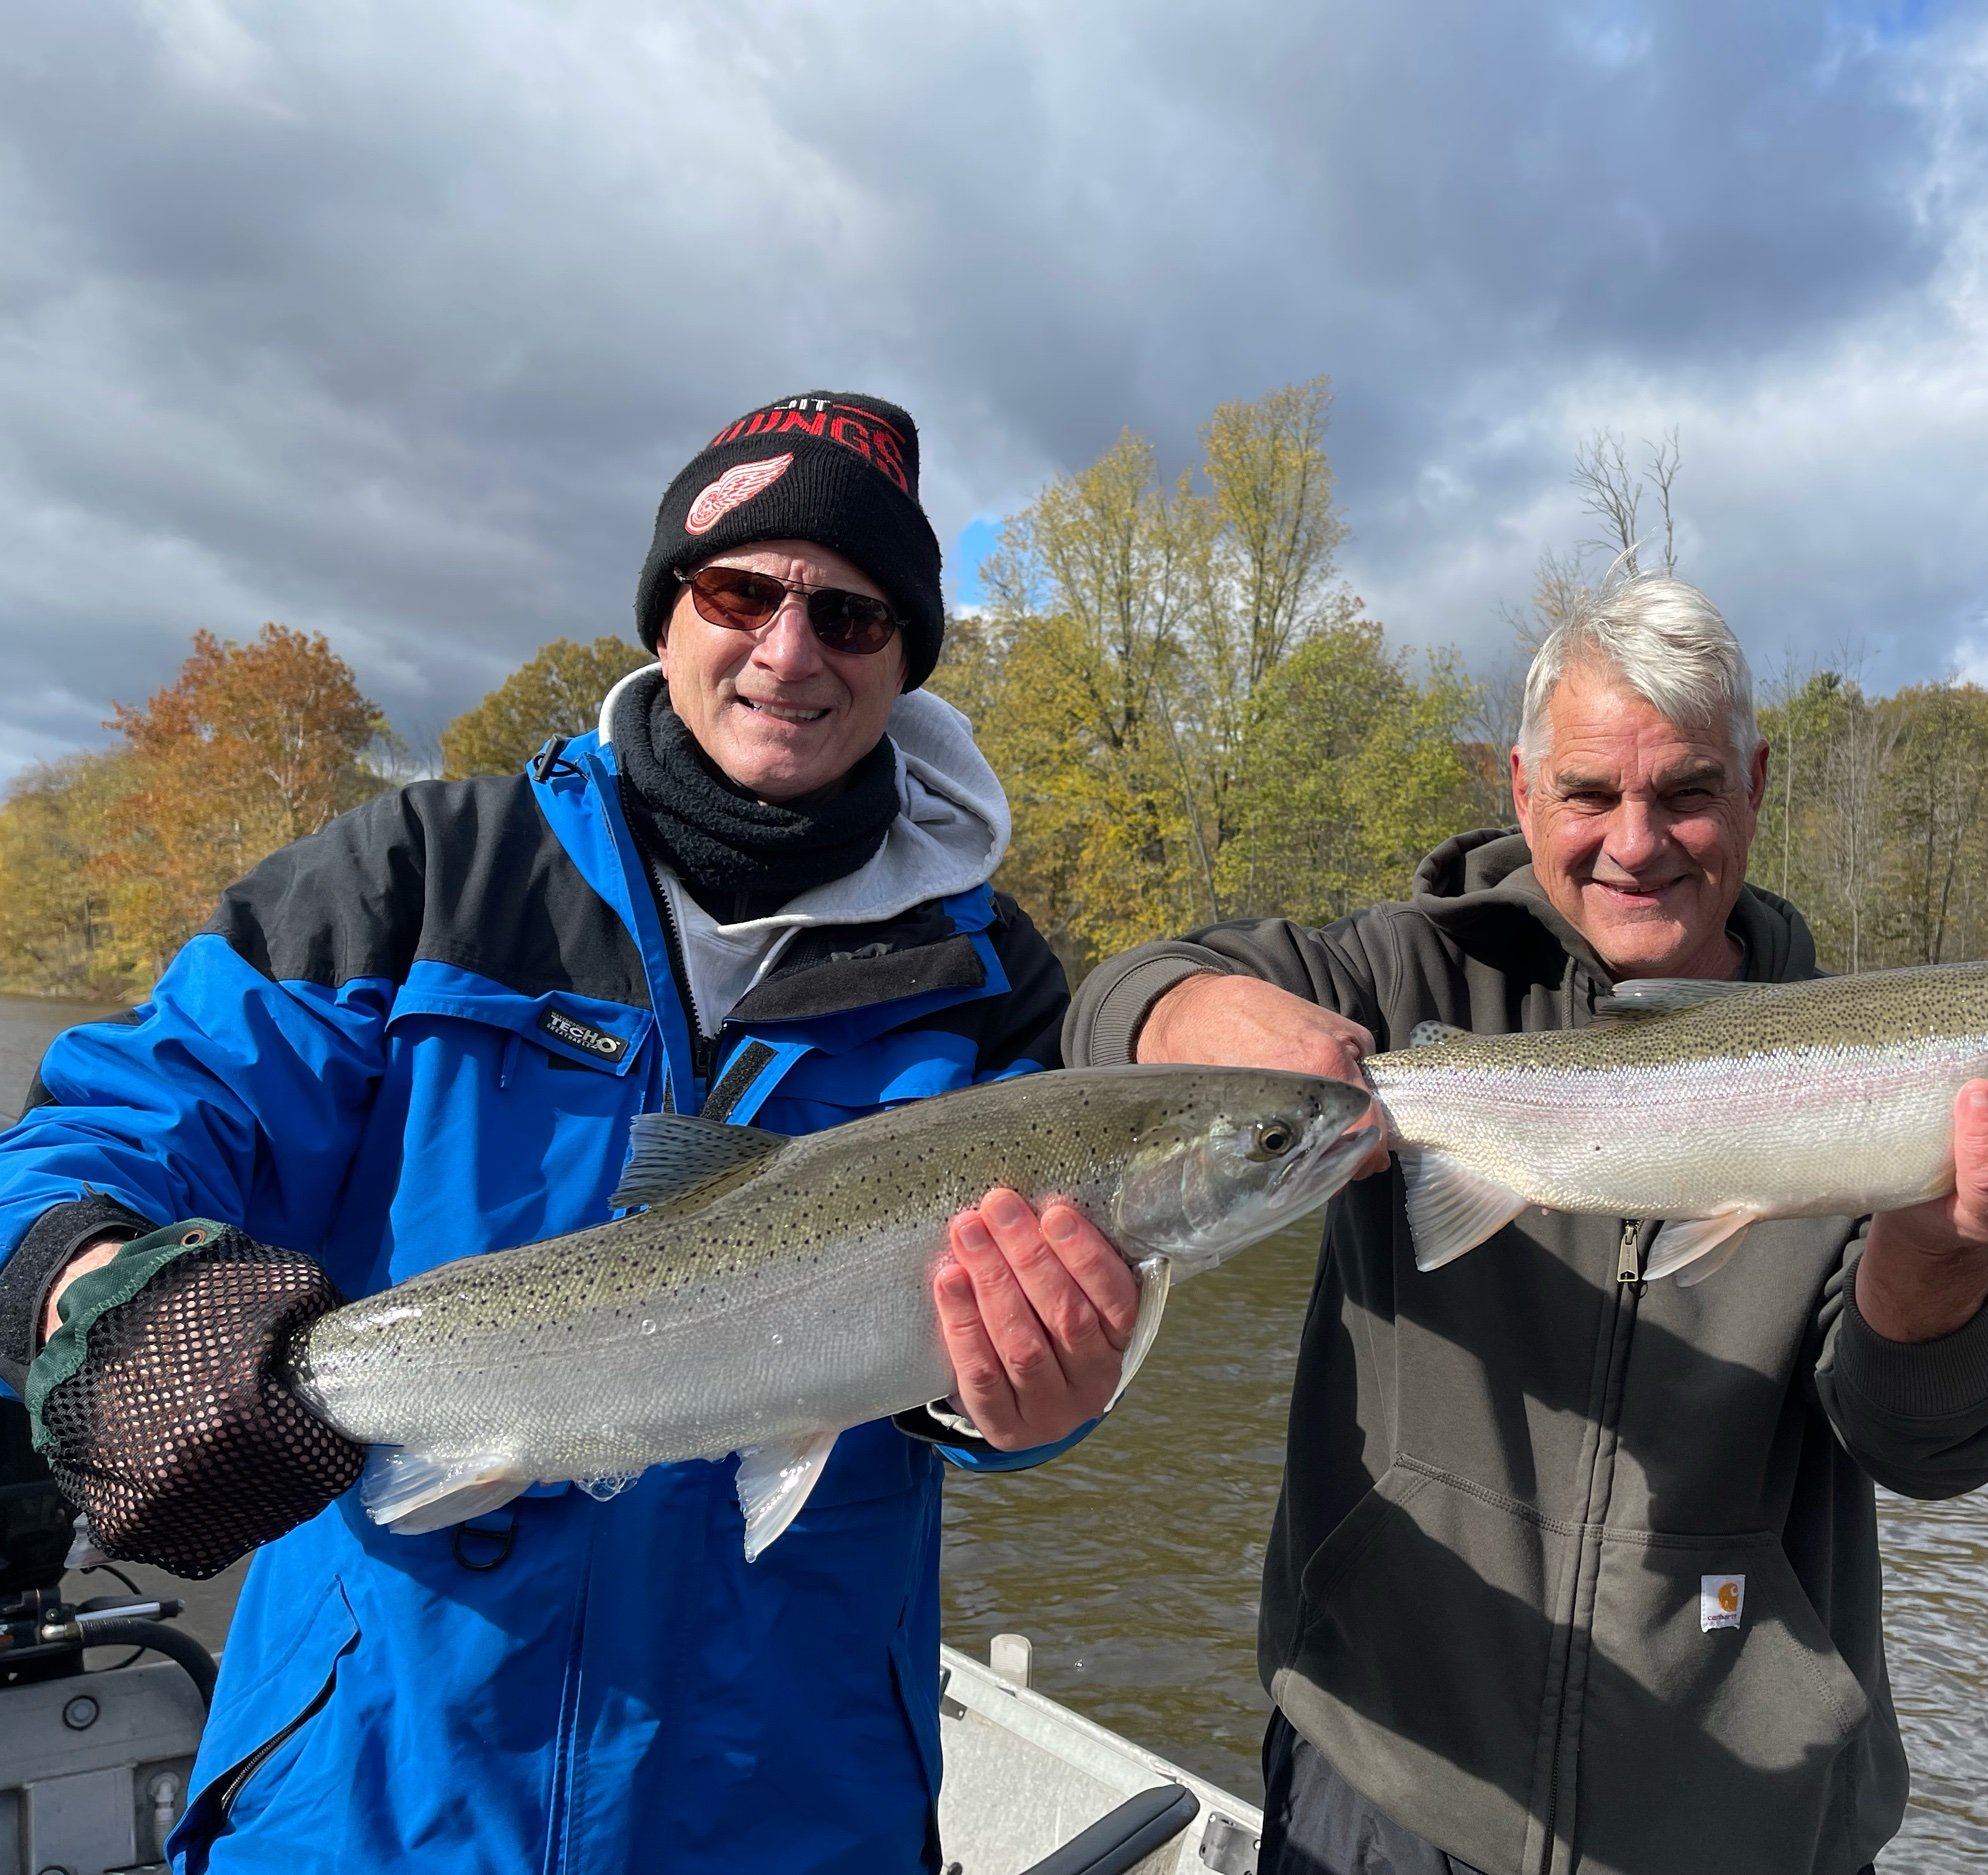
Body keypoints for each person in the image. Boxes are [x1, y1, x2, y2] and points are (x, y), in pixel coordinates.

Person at [0, 391, 1141, 1875]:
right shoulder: (419, 873)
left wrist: (1022, 1410)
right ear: (668, 610)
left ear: (906, 659)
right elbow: (94, 1134)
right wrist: (99, 1285)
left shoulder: (995, 985)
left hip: (789, 1803)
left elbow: (966, 1381)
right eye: (741, 592)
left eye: (853, 617)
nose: (789, 652)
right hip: (370, 1793)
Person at [1063, 571, 1988, 1875]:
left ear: (1757, 788)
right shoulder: (1403, 978)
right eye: (1590, 796)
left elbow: (1931, 1444)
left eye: (1685, 793)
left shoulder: (1872, 1068)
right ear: (1519, 791)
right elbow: (1118, 999)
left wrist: (1938, 1239)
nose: (1636, 843)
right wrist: (1193, 1024)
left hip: (1743, 1826)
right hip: (1384, 1782)